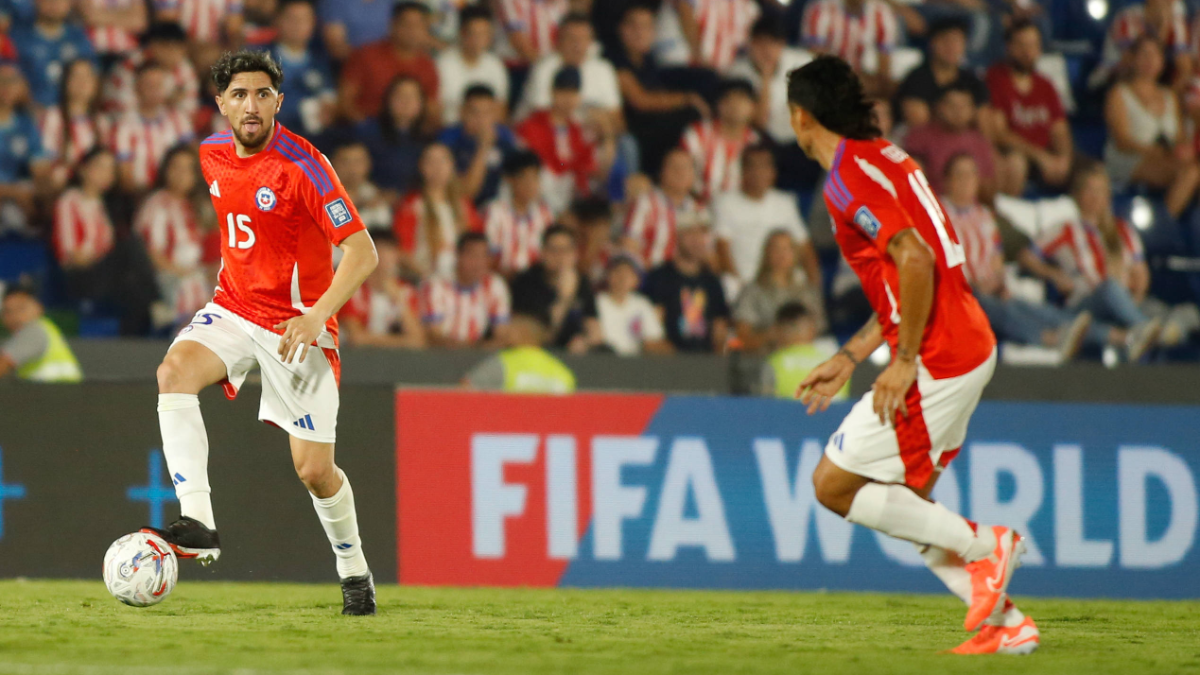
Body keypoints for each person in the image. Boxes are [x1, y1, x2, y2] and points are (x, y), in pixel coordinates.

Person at [787, 56, 1034, 655]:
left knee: (833, 485)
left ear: (801, 117)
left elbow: (916, 260)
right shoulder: (885, 157)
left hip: (937, 353)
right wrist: (851, 356)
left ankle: (987, 547)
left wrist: (901, 361)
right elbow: (904, 278)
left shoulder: (847, 178)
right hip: (967, 340)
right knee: (908, 503)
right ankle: (1006, 626)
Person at [146, 51, 380, 615]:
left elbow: (362, 251)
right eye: (239, 95)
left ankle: (355, 573)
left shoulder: (304, 165)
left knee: (314, 471)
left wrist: (318, 313)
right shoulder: (209, 156)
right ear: (221, 103)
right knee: (172, 373)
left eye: (262, 94)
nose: (251, 105)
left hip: (295, 326)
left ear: (279, 100)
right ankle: (199, 520)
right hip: (233, 307)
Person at [941, 152, 1094, 361]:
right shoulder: (937, 215)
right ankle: (1050, 340)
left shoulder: (985, 216)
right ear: (948, 180)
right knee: (986, 304)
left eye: (972, 174)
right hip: (959, 293)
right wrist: (974, 284)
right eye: (961, 175)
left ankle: (1112, 335)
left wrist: (998, 282)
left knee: (1026, 307)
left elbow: (996, 257)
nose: (967, 181)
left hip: (992, 288)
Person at [1018, 164, 1164, 362]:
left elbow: (1140, 273)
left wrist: (1133, 300)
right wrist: (1053, 274)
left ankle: (1142, 331)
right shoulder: (1065, 230)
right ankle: (1144, 329)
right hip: (1085, 303)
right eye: (1090, 190)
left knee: (1179, 312)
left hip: (1125, 304)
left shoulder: (1122, 230)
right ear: (1078, 195)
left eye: (1100, 191)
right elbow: (1027, 256)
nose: (1095, 197)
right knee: (1110, 287)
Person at [1104, 36, 1199, 220]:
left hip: (1165, 157)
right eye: (1145, 55)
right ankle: (1165, 225)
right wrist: (1157, 152)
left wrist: (1182, 149)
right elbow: (1122, 141)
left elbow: (1179, 137)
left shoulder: (1169, 95)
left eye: (1156, 55)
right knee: (1190, 173)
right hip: (1130, 158)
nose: (1150, 61)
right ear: (1133, 59)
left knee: (1192, 169)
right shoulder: (1119, 93)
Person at [714, 144, 819, 288]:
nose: (759, 172)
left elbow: (805, 247)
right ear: (743, 171)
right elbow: (722, 251)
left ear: (773, 172)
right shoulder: (725, 203)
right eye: (753, 167)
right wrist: (743, 289)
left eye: (765, 166)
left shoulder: (785, 202)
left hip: (784, 283)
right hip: (745, 284)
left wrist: (815, 287)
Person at [986, 20, 1072, 196]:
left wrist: (1064, 158)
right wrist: (1041, 158)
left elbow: (1060, 130)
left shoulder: (1045, 84)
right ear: (1009, 47)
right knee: (1016, 164)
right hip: (1018, 153)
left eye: (1033, 45)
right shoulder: (995, 79)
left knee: (1093, 174)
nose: (1027, 52)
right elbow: (1000, 134)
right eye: (1021, 45)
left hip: (1047, 155)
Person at [516, 66, 615, 215]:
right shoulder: (532, 124)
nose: (568, 99)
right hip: (541, 193)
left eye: (573, 93)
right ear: (552, 92)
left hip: (571, 198)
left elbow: (597, 171)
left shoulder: (579, 131)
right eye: (563, 92)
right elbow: (538, 165)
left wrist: (607, 133)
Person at [135, 145, 210, 327]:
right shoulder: (157, 204)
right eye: (176, 168)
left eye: (187, 169)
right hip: (166, 276)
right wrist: (181, 272)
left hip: (194, 273)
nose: (181, 174)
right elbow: (151, 253)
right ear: (166, 170)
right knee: (191, 287)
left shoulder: (196, 205)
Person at [339, 1, 439, 124]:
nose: (413, 31)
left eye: (419, 26)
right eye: (407, 24)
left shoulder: (427, 65)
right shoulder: (366, 55)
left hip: (409, 136)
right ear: (392, 25)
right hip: (365, 129)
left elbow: (432, 112)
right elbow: (345, 102)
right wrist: (364, 128)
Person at [393, 142, 482, 280]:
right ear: (421, 167)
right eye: (431, 162)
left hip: (460, 279)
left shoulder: (463, 205)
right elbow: (402, 251)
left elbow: (476, 243)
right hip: (426, 278)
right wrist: (426, 276)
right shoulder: (412, 205)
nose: (437, 167)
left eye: (443, 161)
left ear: (452, 165)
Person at [516, 12, 621, 126]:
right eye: (572, 38)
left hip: (589, 136)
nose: (578, 45)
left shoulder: (603, 69)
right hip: (544, 134)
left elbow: (616, 118)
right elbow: (542, 115)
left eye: (584, 38)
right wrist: (591, 115)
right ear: (558, 41)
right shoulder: (544, 67)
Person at [642, 217, 730, 353]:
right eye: (690, 233)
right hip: (667, 362)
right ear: (677, 237)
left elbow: (720, 328)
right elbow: (651, 327)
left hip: (706, 362)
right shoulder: (659, 277)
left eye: (701, 233)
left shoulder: (712, 282)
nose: (696, 240)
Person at [508, 224, 600, 352]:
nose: (560, 256)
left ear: (575, 255)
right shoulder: (526, 282)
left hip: (575, 354)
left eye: (566, 250)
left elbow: (595, 328)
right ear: (543, 253)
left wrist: (585, 341)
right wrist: (564, 298)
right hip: (540, 353)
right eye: (554, 250)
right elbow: (540, 338)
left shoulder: (582, 281)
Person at [733, 229, 827, 353]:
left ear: (795, 254)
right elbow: (742, 337)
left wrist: (797, 334)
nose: (781, 254)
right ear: (766, 253)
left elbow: (819, 328)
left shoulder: (807, 291)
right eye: (776, 249)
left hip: (804, 355)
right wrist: (772, 335)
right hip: (766, 357)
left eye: (787, 249)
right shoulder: (752, 292)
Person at [727, 16, 813, 146]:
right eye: (761, 43)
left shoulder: (802, 62)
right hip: (764, 143)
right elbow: (759, 123)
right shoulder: (737, 73)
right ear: (751, 43)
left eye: (773, 43)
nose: (767, 50)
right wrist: (765, 78)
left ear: (782, 44)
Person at [110, 61, 195, 192]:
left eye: (158, 85)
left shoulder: (178, 119)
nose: (154, 90)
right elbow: (124, 175)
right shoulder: (124, 126)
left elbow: (191, 161)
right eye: (149, 85)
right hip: (138, 196)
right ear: (137, 88)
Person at [902, 85, 997, 199]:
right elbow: (909, 178)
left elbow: (988, 187)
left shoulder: (980, 141)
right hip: (929, 203)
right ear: (940, 107)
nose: (958, 111)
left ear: (972, 110)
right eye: (952, 106)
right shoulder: (920, 136)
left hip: (970, 208)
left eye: (964, 106)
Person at [420, 231, 511, 348]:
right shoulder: (435, 285)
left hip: (478, 356)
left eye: (484, 256)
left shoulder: (494, 285)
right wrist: (473, 349)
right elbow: (433, 337)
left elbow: (502, 335)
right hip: (438, 357)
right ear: (458, 256)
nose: (479, 263)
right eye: (473, 256)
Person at [894, 18, 990, 130]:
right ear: (932, 43)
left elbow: (984, 123)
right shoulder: (916, 79)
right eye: (945, 40)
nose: (951, 47)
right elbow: (918, 126)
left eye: (957, 41)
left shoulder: (972, 80)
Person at [622, 146, 709, 268]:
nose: (680, 172)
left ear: (693, 176)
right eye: (674, 167)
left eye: (685, 168)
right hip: (650, 276)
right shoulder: (645, 203)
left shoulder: (699, 210)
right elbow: (629, 246)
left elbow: (707, 255)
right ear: (662, 171)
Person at [338, 232, 426, 349]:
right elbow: (355, 338)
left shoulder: (406, 292)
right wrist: (402, 341)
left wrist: (399, 301)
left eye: (389, 251)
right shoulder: (351, 290)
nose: (385, 257)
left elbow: (418, 341)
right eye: (380, 250)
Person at [462, 306, 575, 393]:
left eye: (512, 329)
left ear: (522, 334)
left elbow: (465, 390)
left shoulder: (503, 363)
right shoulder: (563, 373)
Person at [680, 78, 759, 201]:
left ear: (753, 107)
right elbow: (680, 171)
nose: (735, 104)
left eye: (742, 99)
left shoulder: (756, 142)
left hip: (739, 210)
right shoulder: (697, 134)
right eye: (728, 99)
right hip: (696, 205)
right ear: (718, 105)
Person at [438, 84, 518, 205]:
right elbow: (465, 193)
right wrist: (483, 147)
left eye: (487, 113)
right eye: (474, 113)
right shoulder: (448, 141)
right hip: (459, 207)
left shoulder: (505, 140)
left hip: (496, 208)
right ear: (462, 112)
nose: (481, 119)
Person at [800, 0, 899, 97]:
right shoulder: (820, 9)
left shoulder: (881, 12)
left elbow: (884, 64)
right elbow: (818, 56)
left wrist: (875, 82)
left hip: (864, 78)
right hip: (829, 76)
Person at [10, 0, 97, 107]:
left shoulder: (79, 38)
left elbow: (93, 77)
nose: (54, 4)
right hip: (30, 113)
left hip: (70, 114)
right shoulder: (17, 39)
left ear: (70, 4)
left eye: (60, 1)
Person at [269, 0, 336, 137]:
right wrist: (304, 109)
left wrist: (330, 109)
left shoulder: (320, 61)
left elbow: (329, 96)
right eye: (292, 19)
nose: (297, 25)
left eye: (304, 19)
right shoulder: (260, 60)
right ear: (277, 20)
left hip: (315, 141)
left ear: (313, 23)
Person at [39, 58, 108, 191]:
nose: (82, 82)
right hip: (61, 185)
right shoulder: (53, 117)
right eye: (76, 76)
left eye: (88, 76)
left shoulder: (102, 121)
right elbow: (46, 160)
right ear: (66, 83)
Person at [102, 22, 198, 117]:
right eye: (167, 47)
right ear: (153, 45)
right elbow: (121, 103)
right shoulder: (131, 64)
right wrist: (166, 102)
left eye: (177, 48)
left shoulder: (184, 68)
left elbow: (190, 108)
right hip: (121, 118)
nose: (172, 53)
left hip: (161, 121)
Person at [355, 75, 430, 196]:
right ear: (388, 100)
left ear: (421, 103)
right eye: (401, 96)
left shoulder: (428, 138)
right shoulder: (367, 132)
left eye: (412, 97)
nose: (406, 102)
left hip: (412, 203)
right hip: (370, 198)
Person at [1090, 0, 1190, 90]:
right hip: (1111, 78)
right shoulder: (1128, 16)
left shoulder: (1175, 22)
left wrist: (1171, 99)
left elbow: (1185, 69)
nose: (1168, 2)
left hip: (1150, 82)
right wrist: (1162, 30)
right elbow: (1134, 66)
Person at [483, 150, 553, 276]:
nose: (530, 184)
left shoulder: (544, 214)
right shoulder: (494, 212)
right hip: (504, 278)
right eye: (524, 177)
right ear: (510, 180)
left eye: (535, 177)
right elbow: (490, 256)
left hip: (536, 281)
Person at [436, 5, 509, 125]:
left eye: (484, 34)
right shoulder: (443, 64)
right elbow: (436, 109)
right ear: (462, 33)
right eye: (474, 34)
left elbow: (501, 109)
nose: (479, 40)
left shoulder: (495, 65)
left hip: (486, 128)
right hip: (451, 128)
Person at [0, 63, 51, 235]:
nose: (5, 87)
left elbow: (40, 169)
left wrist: (41, 192)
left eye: (12, 81)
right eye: (1, 81)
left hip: (18, 199)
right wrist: (14, 192)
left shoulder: (26, 124)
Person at [0, 283, 82, 382]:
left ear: (38, 307)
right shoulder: (46, 328)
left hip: (58, 395)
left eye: (21, 308)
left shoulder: (34, 331)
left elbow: (3, 364)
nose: (15, 317)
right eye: (8, 312)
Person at [759, 302, 841, 400]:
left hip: (787, 414)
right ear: (812, 328)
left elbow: (765, 404)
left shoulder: (774, 362)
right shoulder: (836, 360)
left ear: (779, 330)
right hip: (835, 414)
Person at [595, 254, 670, 356]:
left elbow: (655, 339)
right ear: (608, 275)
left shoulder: (642, 305)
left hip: (636, 365)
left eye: (628, 273)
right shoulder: (597, 302)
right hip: (604, 361)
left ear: (636, 280)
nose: (622, 277)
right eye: (617, 271)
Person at [656, 0, 760, 72]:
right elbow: (685, 9)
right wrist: (699, 57)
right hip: (683, 66)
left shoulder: (748, 7)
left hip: (725, 73)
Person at [330, 141, 393, 233]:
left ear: (368, 164)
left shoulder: (375, 195)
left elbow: (383, 231)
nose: (352, 168)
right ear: (332, 163)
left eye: (358, 162)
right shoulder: (317, 195)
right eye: (345, 162)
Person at [318, 0, 394, 61]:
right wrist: (370, 62)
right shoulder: (334, 2)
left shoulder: (389, 2)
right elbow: (336, 46)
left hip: (387, 62)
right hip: (349, 64)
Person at [80, 0, 148, 59]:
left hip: (127, 51)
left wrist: (102, 15)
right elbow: (90, 17)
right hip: (96, 51)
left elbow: (139, 22)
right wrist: (127, 15)